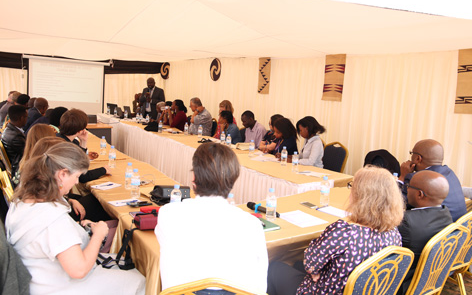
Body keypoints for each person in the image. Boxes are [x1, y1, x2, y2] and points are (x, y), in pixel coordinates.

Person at [5, 142, 145, 294]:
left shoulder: (22, 200)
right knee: (138, 279)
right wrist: (98, 235)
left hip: (38, 277)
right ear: (62, 174)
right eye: (77, 176)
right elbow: (79, 270)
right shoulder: (53, 220)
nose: (77, 182)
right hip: (57, 286)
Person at [267, 166, 404, 295]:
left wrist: (315, 271)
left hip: (321, 291)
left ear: (360, 196)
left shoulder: (344, 232)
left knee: (274, 268)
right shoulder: (394, 234)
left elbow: (310, 263)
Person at [156, 143, 268, 293]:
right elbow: (260, 286)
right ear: (233, 181)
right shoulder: (252, 225)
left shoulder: (168, 214)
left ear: (194, 178)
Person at [397, 170, 452, 294]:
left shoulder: (407, 221)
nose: (406, 190)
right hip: (432, 278)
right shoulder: (445, 213)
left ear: (420, 194)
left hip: (405, 283)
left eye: (408, 186)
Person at [399, 139, 467, 222]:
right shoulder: (449, 172)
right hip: (457, 231)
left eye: (411, 154)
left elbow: (397, 204)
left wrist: (402, 176)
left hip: (433, 230)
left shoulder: (416, 178)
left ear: (418, 158)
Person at [57, 109, 110, 183]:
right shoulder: (67, 147)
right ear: (80, 130)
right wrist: (103, 170)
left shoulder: (63, 138)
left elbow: (80, 163)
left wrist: (83, 141)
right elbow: (82, 175)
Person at [1, 105, 27, 175]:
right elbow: (28, 154)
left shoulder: (8, 130)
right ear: (22, 118)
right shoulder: (16, 137)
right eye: (26, 117)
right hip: (19, 170)